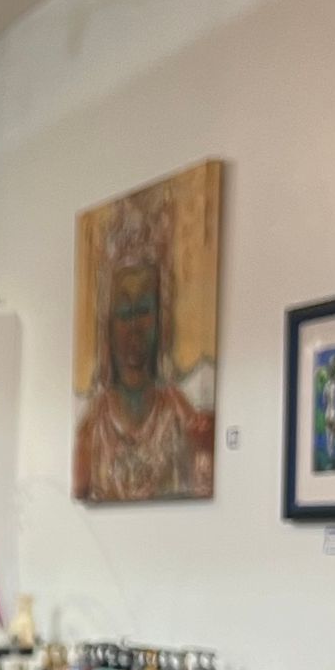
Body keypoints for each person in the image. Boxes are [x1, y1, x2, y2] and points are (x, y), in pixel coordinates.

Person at [72, 188, 214, 502]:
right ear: (107, 326)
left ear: (161, 319)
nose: (134, 328)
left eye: (144, 310)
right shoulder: (91, 431)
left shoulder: (185, 420)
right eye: (124, 313)